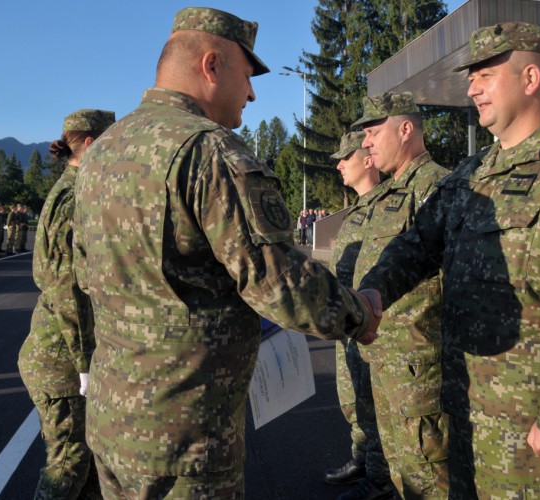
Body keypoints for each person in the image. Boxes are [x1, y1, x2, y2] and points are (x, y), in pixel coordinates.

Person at [71, 8, 380, 499]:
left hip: (113, 421)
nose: (252, 94)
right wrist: (358, 314)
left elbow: (84, 275)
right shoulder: (208, 150)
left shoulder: (103, 152)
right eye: (248, 75)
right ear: (212, 65)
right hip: (184, 436)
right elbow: (278, 281)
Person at [359, 22, 540, 498]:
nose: (472, 89)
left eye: (485, 75)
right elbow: (416, 244)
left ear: (530, 79)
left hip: (529, 428)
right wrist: (372, 292)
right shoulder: (470, 175)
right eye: (471, 78)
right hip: (462, 411)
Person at [346, 92, 450, 500]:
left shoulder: (437, 188)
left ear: (405, 129)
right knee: (399, 475)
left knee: (428, 479)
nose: (366, 143)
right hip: (385, 361)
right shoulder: (388, 195)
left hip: (419, 369)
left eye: (373, 132)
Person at [18, 108, 115, 500]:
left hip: (68, 354)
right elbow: (66, 289)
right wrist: (85, 363)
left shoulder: (81, 190)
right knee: (68, 466)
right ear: (90, 145)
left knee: (90, 470)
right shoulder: (74, 197)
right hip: (62, 360)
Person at [325, 132, 392, 496]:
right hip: (349, 323)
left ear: (367, 160)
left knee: (373, 402)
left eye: (345, 157)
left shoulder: (387, 206)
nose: (339, 165)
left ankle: (379, 478)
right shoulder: (356, 210)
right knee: (352, 398)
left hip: (373, 324)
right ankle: (361, 457)